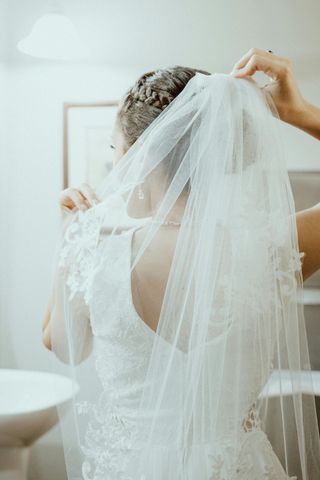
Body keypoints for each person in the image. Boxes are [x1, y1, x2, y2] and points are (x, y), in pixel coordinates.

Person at [43, 49, 320, 479]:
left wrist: (69, 237)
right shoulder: (273, 248)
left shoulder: (94, 250)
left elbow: (62, 345)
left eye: (115, 149)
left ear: (140, 153)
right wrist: (299, 113)